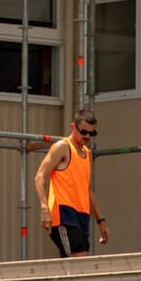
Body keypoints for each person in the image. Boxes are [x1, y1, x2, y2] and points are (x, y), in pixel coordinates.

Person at [34, 109, 108, 257]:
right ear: (73, 127)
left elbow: (86, 191)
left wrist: (100, 221)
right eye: (84, 132)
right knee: (80, 260)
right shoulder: (62, 147)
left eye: (92, 134)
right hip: (63, 214)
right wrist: (44, 208)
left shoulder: (87, 153)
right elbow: (40, 176)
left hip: (81, 216)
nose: (87, 136)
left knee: (73, 265)